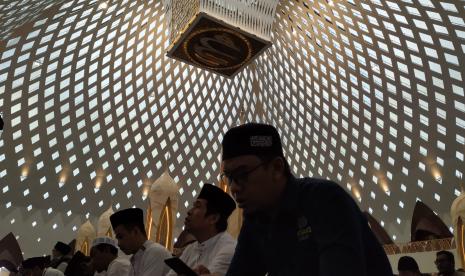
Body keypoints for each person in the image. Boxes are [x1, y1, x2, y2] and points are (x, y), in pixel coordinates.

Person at [221, 123, 393, 275]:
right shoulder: (256, 220)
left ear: (276, 168)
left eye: (241, 175)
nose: (234, 187)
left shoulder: (326, 201)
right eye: (229, 177)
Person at [167, 183, 237, 276]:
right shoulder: (191, 248)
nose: (189, 211)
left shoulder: (229, 249)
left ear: (213, 218)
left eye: (197, 206)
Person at [110, 207, 171, 276]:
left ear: (135, 231)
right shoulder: (136, 258)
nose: (119, 243)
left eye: (121, 237)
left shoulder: (155, 252)